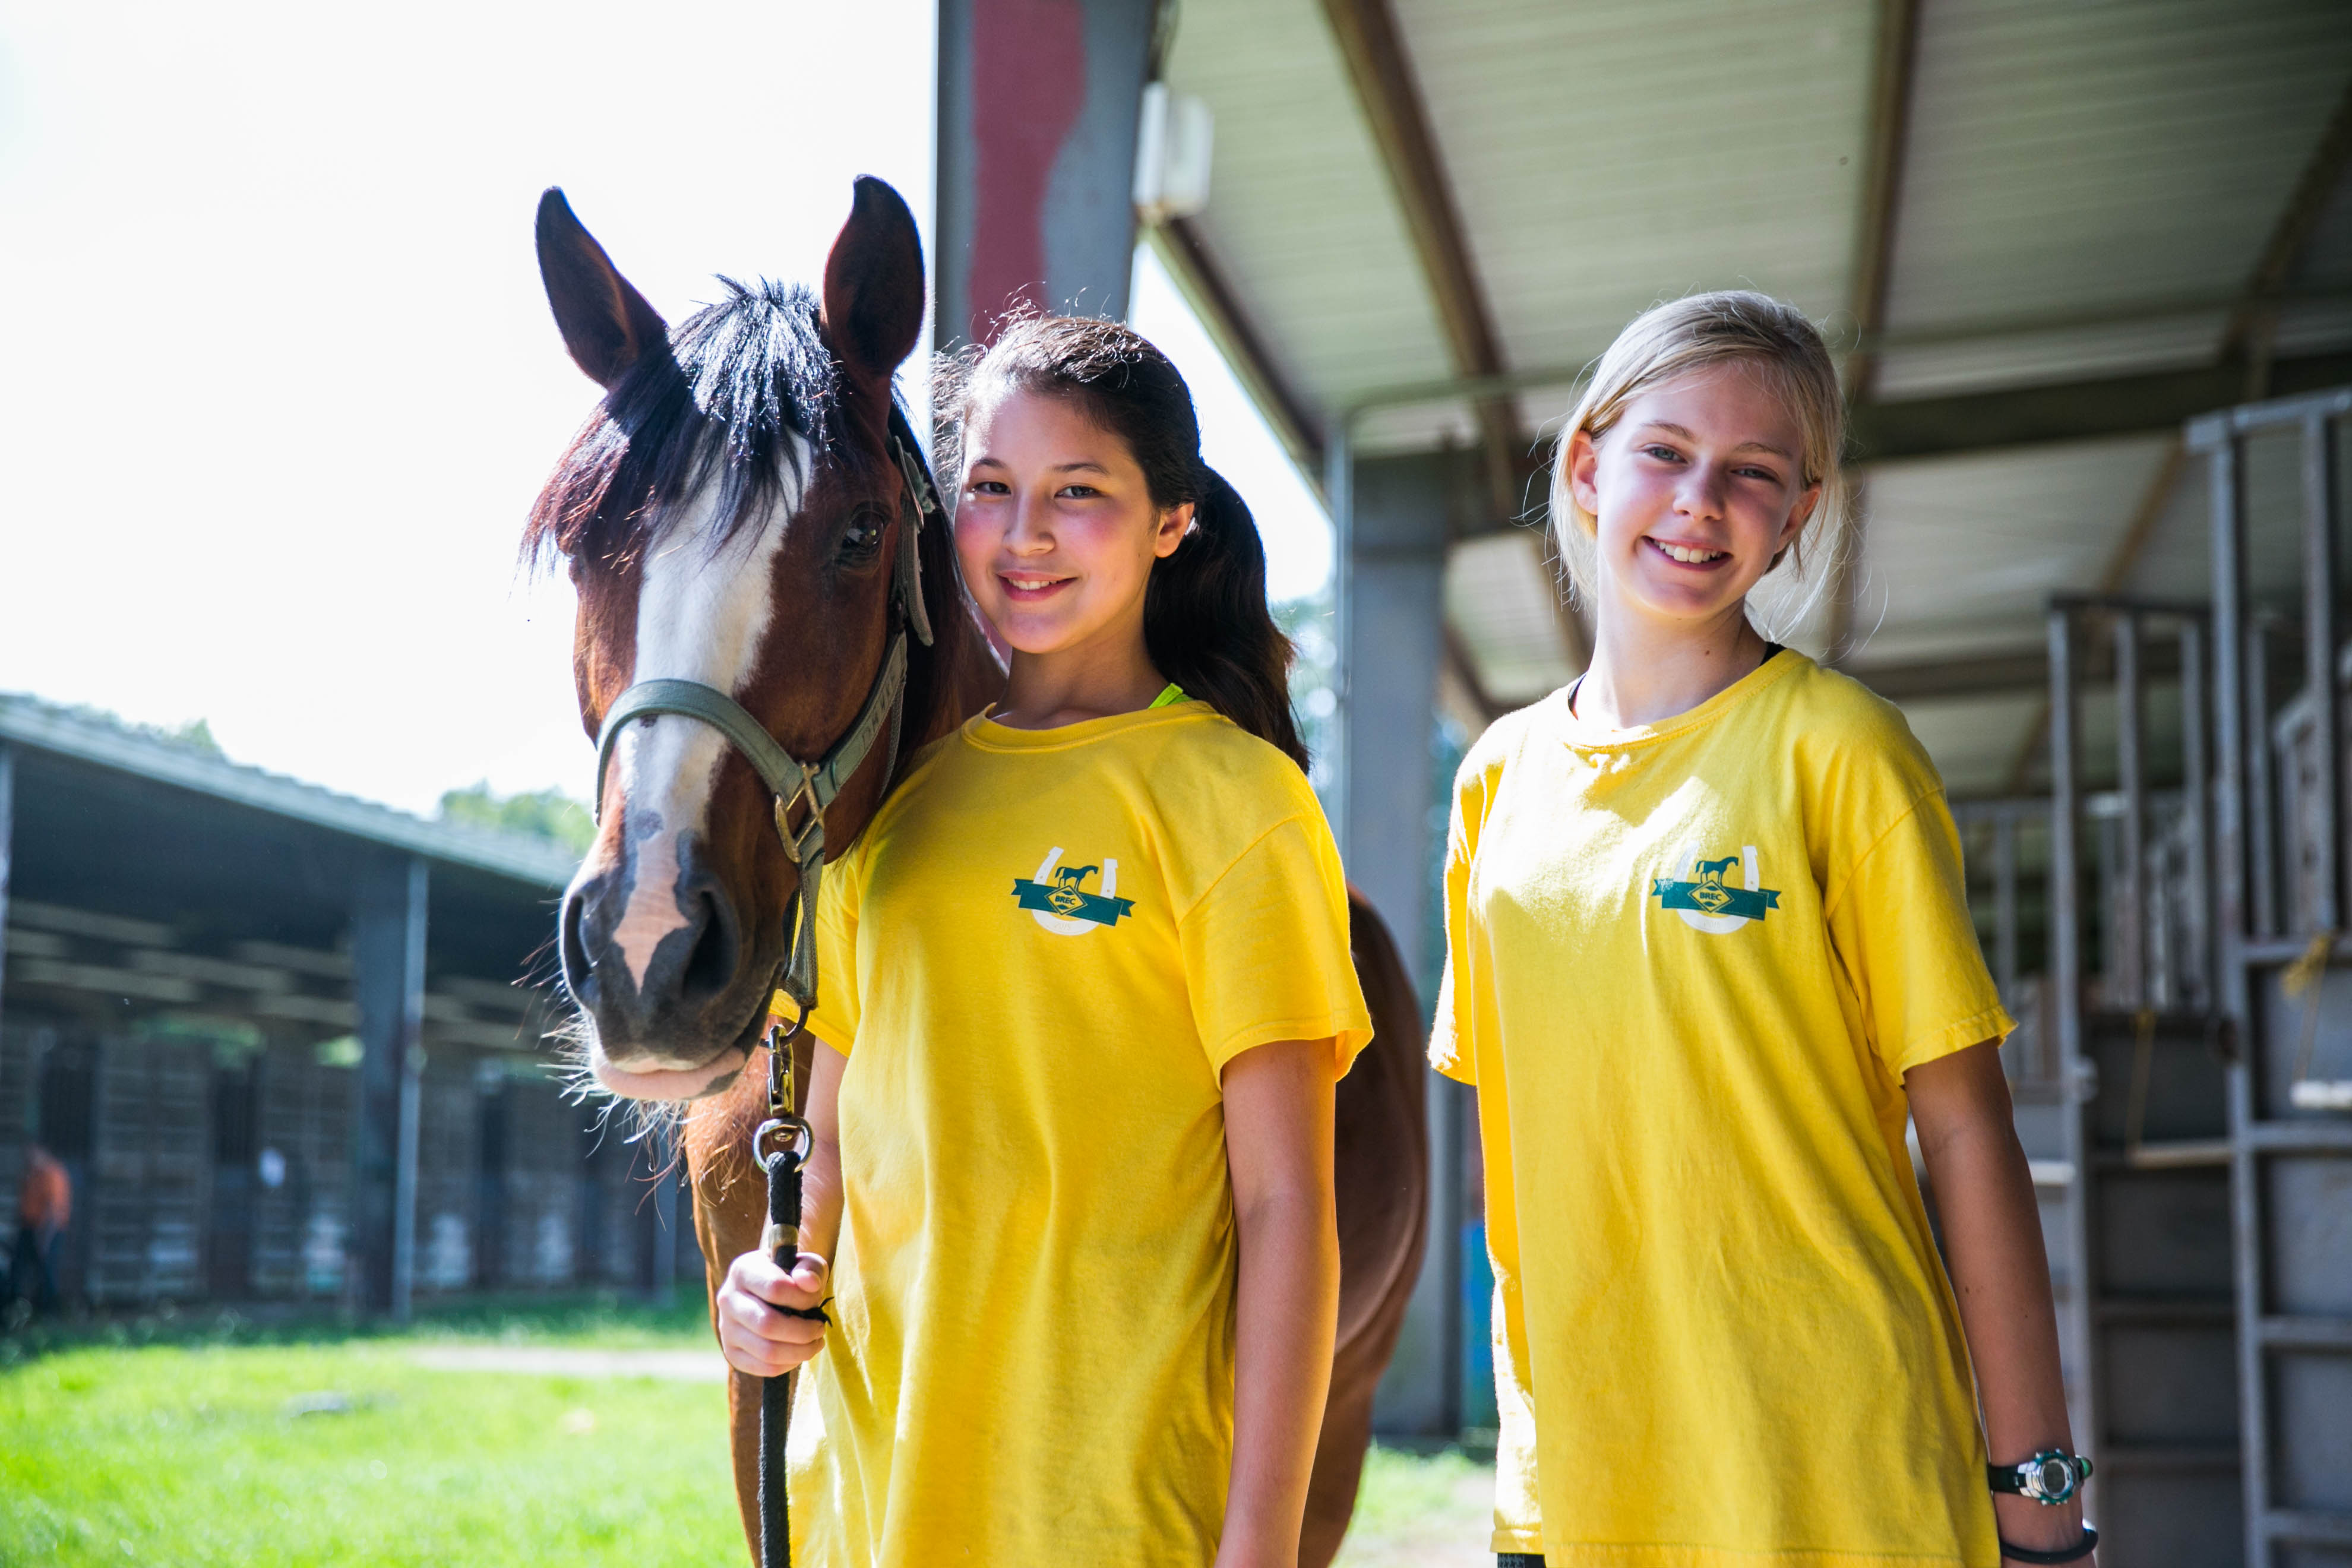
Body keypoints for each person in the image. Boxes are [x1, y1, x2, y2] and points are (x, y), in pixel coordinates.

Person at [1435, 292, 2095, 1568]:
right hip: (1582, 1484)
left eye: (1752, 474)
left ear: (1796, 516)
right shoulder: (1497, 783)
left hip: (1838, 1475)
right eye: (1666, 453)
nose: (1700, 502)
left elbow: (1968, 1131)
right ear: (1588, 467)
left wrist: (2041, 1495)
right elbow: (1514, 1148)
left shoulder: (1842, 753)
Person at [715, 314, 1371, 1567]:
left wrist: (1261, 1546)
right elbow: (833, 1141)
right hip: (871, 1507)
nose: (1024, 534)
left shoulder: (1239, 801)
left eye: (1078, 493)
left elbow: (1286, 1206)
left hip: (1113, 1510)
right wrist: (772, 1281)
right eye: (990, 489)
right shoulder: (890, 806)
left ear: (1171, 521)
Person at [10, 1142, 71, 1315]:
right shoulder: (31, 1173)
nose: (29, 1157)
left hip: (47, 1231)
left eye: (32, 1153)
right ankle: (16, 1307)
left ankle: (49, 1311)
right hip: (29, 1228)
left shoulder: (53, 1174)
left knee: (47, 1270)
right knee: (19, 1267)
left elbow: (53, 1210)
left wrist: (44, 1240)